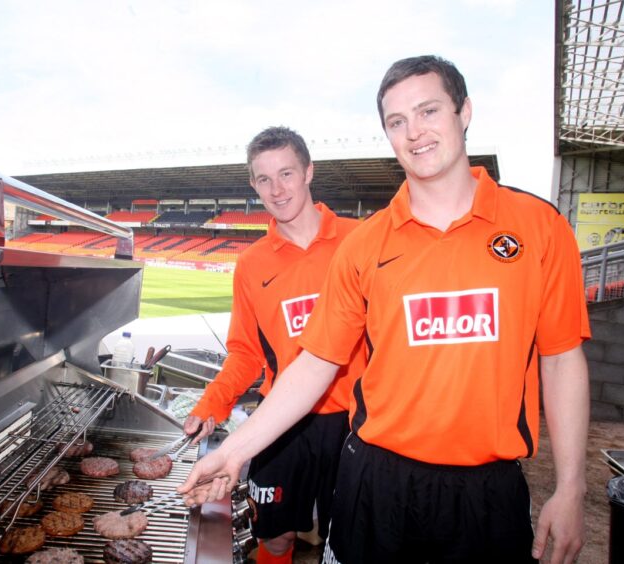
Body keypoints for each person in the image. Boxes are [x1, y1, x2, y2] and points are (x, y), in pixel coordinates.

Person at [179, 55, 591, 564]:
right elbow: (315, 362)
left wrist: (572, 486)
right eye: (397, 122)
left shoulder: (540, 228)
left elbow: (562, 357)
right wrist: (233, 451)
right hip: (375, 482)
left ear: (464, 112)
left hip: (488, 490)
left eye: (428, 111)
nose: (414, 132)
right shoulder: (365, 245)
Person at [182, 126, 365, 564]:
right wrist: (212, 404)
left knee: (346, 546)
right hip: (282, 426)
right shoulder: (251, 264)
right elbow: (246, 353)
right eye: (264, 179)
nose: (277, 189)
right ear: (253, 185)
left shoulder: (361, 240)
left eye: (286, 174)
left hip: (357, 422)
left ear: (308, 172)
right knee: (277, 538)